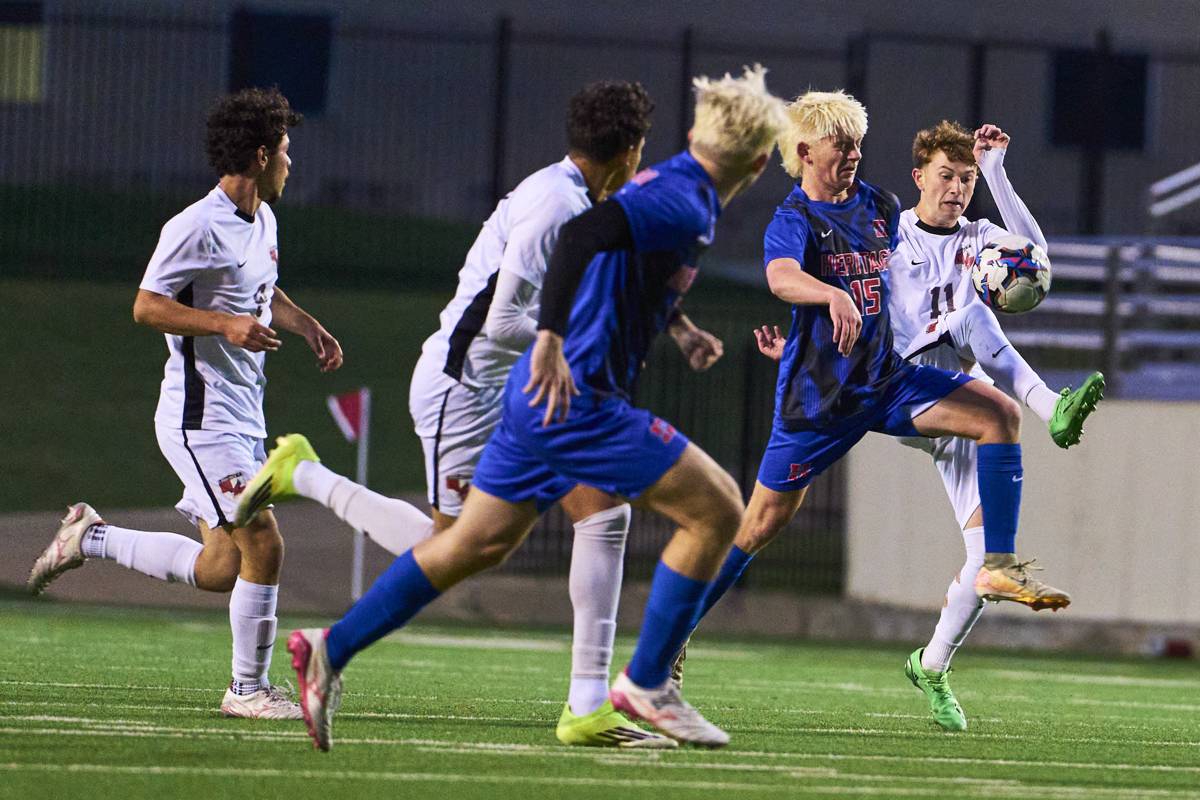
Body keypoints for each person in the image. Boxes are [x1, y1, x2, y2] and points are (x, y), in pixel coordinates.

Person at [277, 64, 788, 752]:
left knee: (471, 543)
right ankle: (646, 685)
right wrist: (548, 338)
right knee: (720, 507)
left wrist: (676, 325)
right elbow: (582, 241)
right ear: (760, 163)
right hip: (576, 402)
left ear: (696, 133)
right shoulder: (682, 204)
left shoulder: (670, 183)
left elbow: (619, 260)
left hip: (529, 400)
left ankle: (331, 647)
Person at [671, 90, 1072, 708]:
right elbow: (781, 277)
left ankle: (996, 561)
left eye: (859, 141)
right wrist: (823, 308)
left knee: (1000, 413)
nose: (856, 153)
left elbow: (892, 294)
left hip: (886, 379)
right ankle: (674, 636)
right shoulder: (794, 217)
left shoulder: (879, 205)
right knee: (759, 524)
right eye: (843, 143)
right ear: (806, 152)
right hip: (820, 398)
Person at [750, 119, 1103, 731]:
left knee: (984, 565)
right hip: (899, 386)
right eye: (948, 175)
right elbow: (846, 294)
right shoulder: (891, 233)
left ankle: (931, 664)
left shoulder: (977, 236)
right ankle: (1050, 407)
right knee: (971, 318)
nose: (957, 189)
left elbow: (1035, 259)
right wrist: (803, 352)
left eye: (966, 180)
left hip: (958, 405)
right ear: (919, 177)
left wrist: (996, 170)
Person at [26, 87, 342, 720]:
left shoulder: (265, 220)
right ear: (259, 155)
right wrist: (223, 326)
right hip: (200, 420)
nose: (290, 163)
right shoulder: (193, 225)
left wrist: (305, 324)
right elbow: (147, 305)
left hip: (242, 416)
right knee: (265, 543)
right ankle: (247, 690)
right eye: (284, 151)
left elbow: (261, 290)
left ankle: (93, 537)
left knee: (224, 567)